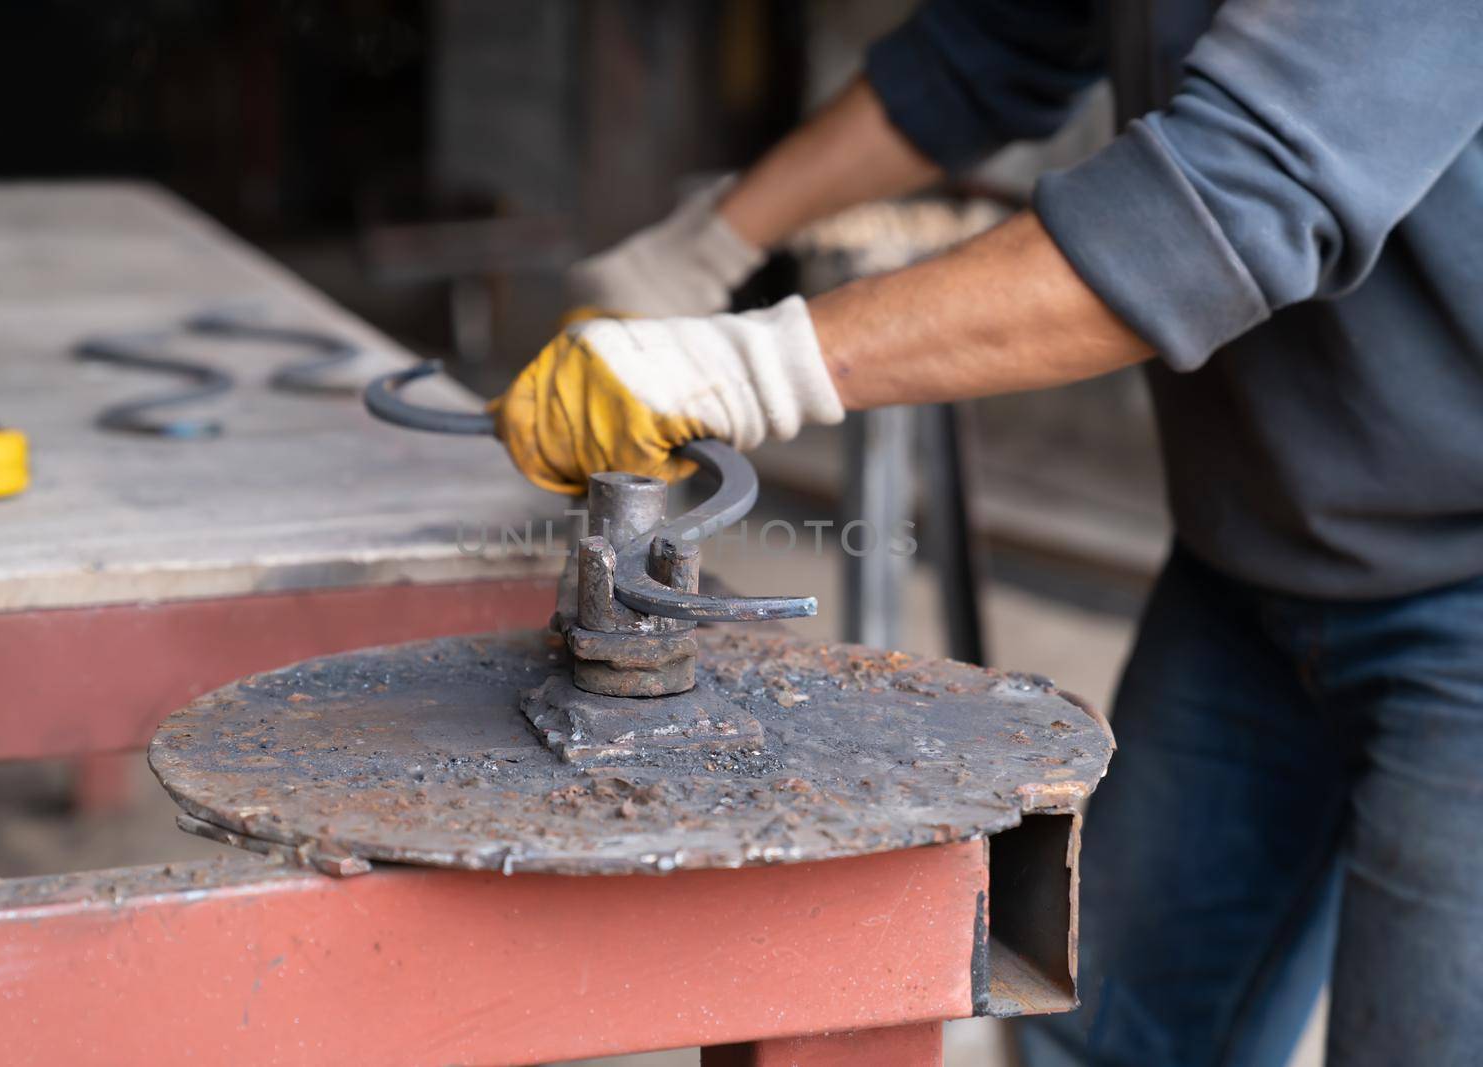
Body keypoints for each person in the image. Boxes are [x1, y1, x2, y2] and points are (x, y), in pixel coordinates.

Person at [492, 3, 1483, 1064]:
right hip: (1250, 554)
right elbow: (990, 47)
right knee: (1094, 1036)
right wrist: (704, 247)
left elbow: (1221, 205)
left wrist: (745, 367)